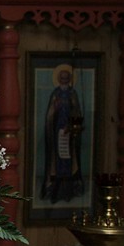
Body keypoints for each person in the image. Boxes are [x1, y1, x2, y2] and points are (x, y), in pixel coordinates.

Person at [41, 68, 84, 203]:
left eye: (66, 78)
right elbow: (50, 115)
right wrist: (55, 108)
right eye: (62, 78)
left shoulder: (72, 93)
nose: (64, 80)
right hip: (57, 133)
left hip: (70, 133)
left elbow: (77, 111)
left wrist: (72, 123)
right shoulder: (56, 94)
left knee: (69, 158)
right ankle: (56, 188)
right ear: (59, 79)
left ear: (69, 79)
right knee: (58, 159)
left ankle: (69, 189)